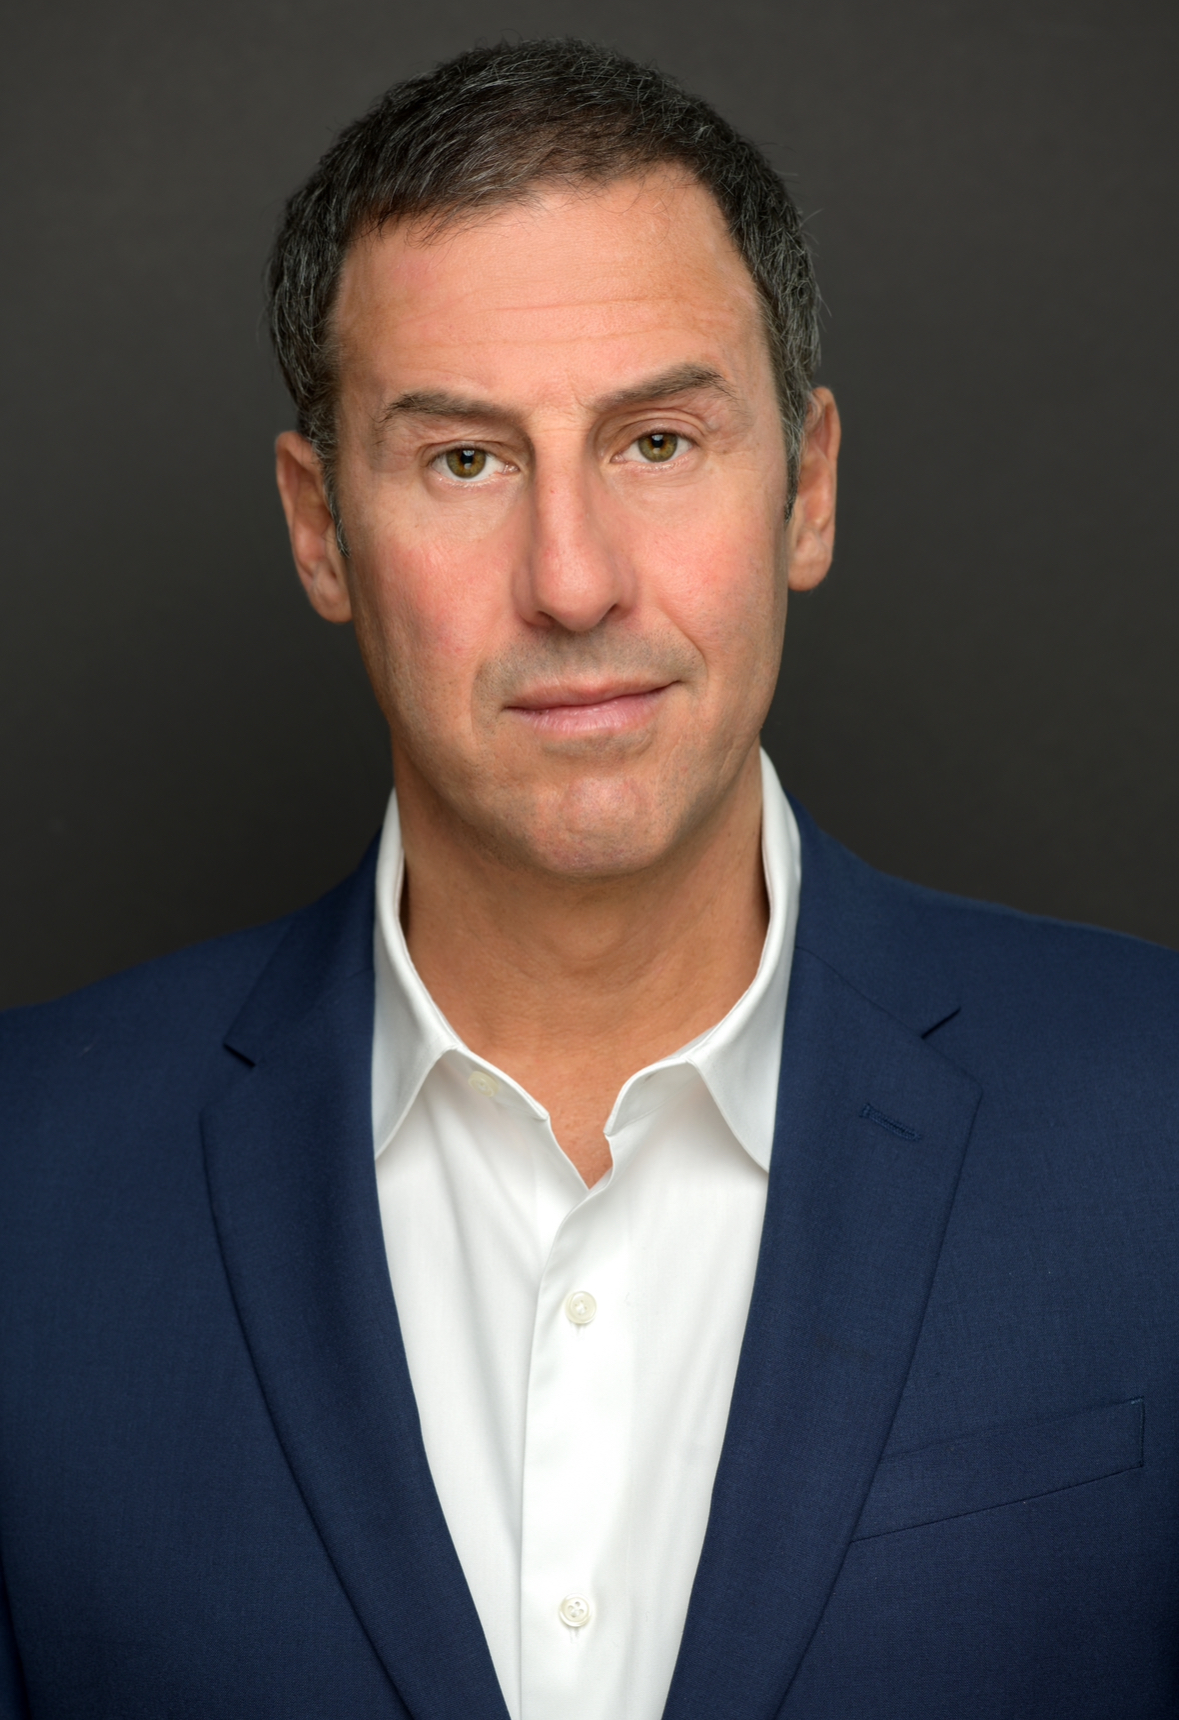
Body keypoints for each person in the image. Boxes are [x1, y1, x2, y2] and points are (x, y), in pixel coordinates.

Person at [1, 36, 1177, 1720]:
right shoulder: (26, 1186)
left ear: (808, 489)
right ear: (321, 531)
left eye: (659, 442)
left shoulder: (1156, 1123)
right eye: (464, 460)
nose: (571, 580)